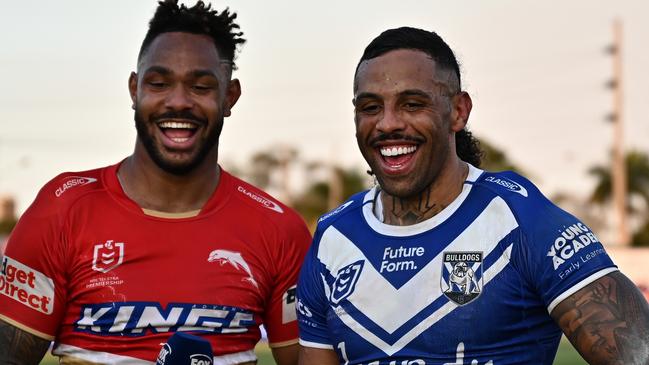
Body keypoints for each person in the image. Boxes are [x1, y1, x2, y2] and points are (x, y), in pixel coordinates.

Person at [296, 27, 649, 364]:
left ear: (458, 111)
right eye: (370, 107)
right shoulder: (332, 239)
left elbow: (638, 353)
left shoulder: (519, 219)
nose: (387, 123)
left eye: (412, 104)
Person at [0, 1, 311, 364]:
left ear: (229, 96)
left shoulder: (279, 229)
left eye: (200, 86)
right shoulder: (63, 209)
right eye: (159, 83)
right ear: (135, 89)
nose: (178, 102)